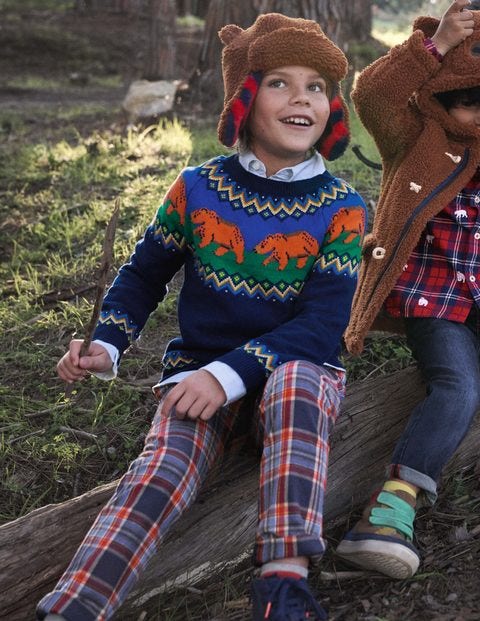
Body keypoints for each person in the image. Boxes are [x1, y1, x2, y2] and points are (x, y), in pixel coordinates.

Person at [36, 12, 367, 621]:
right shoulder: (197, 188)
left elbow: (324, 323)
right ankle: (77, 603)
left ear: (332, 108)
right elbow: (142, 275)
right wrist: (107, 343)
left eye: (316, 86)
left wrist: (230, 373)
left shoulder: (342, 209)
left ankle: (283, 581)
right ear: (243, 99)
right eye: (280, 83)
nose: (302, 98)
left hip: (294, 379)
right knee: (163, 465)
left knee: (296, 379)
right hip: (197, 380)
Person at [336, 0, 480, 581]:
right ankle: (390, 511)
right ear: (442, 100)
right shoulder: (415, 137)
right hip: (436, 300)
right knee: (457, 386)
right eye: (469, 102)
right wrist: (435, 46)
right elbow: (372, 93)